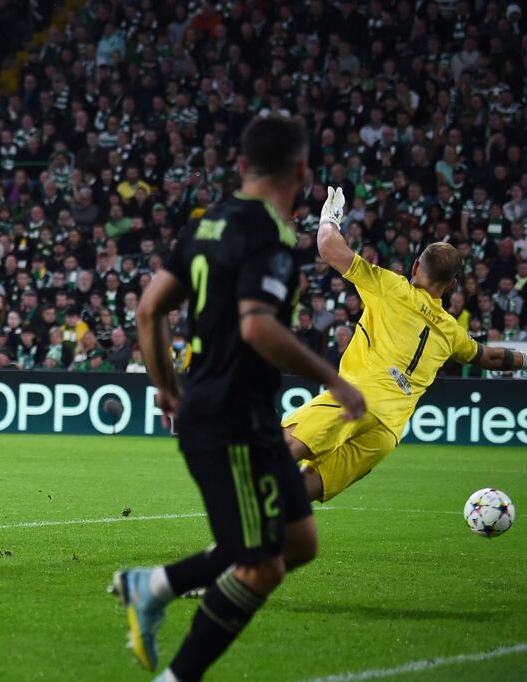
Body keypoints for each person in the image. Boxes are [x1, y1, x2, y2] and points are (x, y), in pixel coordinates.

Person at [110, 117, 366, 681]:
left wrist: (166, 386)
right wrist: (338, 381)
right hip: (229, 416)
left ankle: (152, 585)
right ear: (301, 171)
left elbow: (149, 310)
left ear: (244, 165)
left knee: (297, 544)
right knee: (260, 565)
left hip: (240, 412)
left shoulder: (208, 225)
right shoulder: (270, 234)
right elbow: (257, 328)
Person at [284, 188, 527, 502]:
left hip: (357, 396)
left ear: (414, 268)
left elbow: (329, 248)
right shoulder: (452, 331)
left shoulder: (391, 287)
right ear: (452, 284)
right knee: (305, 487)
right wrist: (524, 359)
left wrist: (330, 217)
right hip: (387, 431)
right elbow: (491, 357)